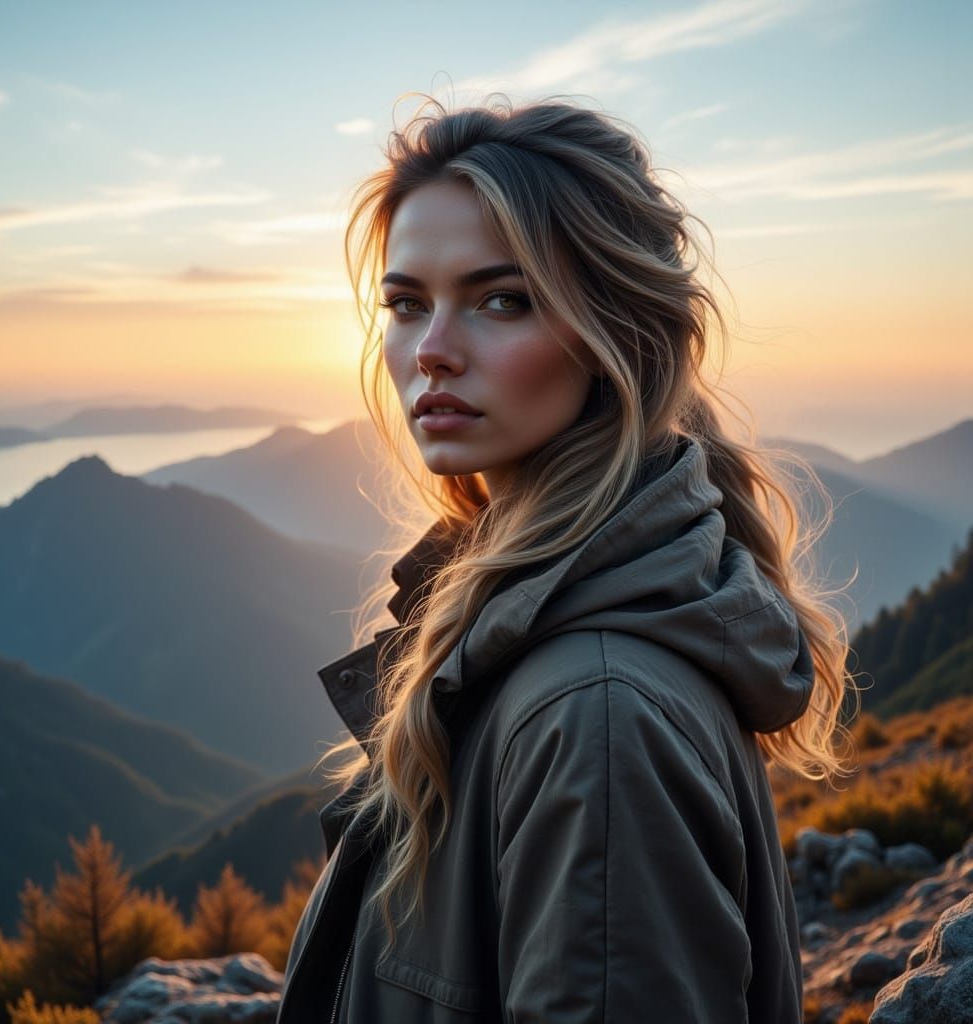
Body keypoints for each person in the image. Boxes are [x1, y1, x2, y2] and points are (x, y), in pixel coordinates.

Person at [275, 93, 857, 1024]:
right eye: (406, 304)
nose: (430, 351)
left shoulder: (597, 716)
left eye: (502, 300)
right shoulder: (526, 633)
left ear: (616, 328)